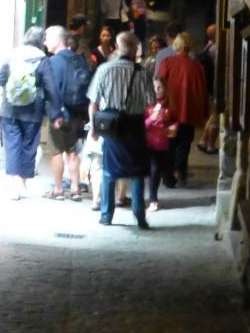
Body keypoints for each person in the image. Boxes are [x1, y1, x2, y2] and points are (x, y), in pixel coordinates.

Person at [86, 30, 156, 226]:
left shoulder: (104, 69)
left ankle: (106, 215)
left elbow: (93, 102)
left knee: (109, 169)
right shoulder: (143, 73)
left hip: (111, 125)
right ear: (136, 49)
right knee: (137, 170)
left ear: (117, 47)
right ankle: (140, 216)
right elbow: (151, 101)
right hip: (135, 125)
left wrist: (93, 127)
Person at [38, 25, 91, 201]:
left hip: (59, 114)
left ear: (58, 39)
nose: (45, 41)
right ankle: (75, 189)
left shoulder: (53, 61)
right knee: (73, 151)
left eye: (47, 37)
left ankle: (59, 189)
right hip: (77, 112)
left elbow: (52, 90)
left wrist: (55, 115)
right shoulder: (79, 59)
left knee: (56, 151)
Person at [0, 26, 46, 200]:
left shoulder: (12, 55)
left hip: (10, 108)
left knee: (12, 145)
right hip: (33, 111)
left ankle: (14, 183)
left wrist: (12, 90)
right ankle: (22, 183)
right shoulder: (42, 59)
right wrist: (55, 111)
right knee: (29, 145)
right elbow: (50, 84)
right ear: (41, 41)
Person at [157, 31, 210, 186]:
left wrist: (158, 106)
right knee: (184, 144)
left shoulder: (167, 62)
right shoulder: (197, 67)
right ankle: (180, 171)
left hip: (170, 112)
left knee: (169, 144)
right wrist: (204, 112)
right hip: (189, 112)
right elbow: (203, 91)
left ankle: (168, 177)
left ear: (176, 45)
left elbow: (160, 87)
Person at [144, 78, 177, 212]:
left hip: (163, 143)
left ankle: (153, 198)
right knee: (155, 169)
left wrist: (173, 127)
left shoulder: (168, 105)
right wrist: (151, 119)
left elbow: (173, 121)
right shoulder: (146, 105)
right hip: (149, 143)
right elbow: (141, 126)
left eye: (159, 88)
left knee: (158, 171)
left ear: (165, 89)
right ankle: (153, 200)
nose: (156, 91)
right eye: (154, 88)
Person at [197, 23, 219, 153]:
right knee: (215, 117)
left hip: (208, 87)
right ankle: (210, 145)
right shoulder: (216, 49)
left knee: (212, 116)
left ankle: (203, 140)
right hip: (215, 87)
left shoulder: (207, 47)